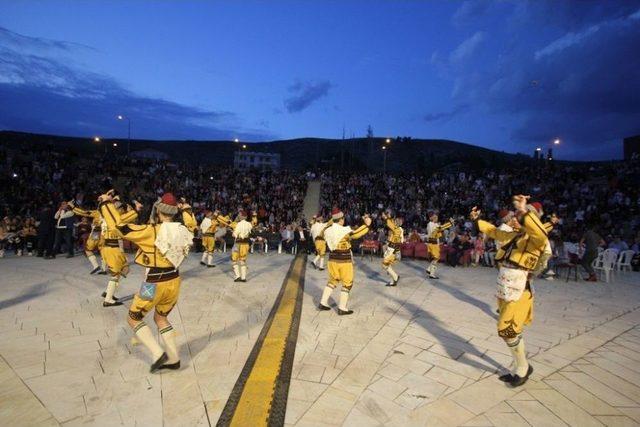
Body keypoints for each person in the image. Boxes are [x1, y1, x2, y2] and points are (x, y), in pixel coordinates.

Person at [99, 192, 193, 373]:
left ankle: (158, 354)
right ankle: (173, 358)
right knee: (161, 318)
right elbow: (191, 223)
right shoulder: (185, 230)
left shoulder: (152, 232)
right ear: (176, 212)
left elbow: (120, 228)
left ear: (158, 212)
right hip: (174, 281)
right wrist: (187, 208)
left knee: (133, 318)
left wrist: (106, 204)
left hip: (153, 283)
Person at [471, 195, 549, 388]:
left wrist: (524, 212)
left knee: (505, 329)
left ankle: (522, 367)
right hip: (505, 286)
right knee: (511, 330)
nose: (514, 218)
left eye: (518, 215)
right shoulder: (515, 234)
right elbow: (493, 231)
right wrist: (475, 220)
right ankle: (522, 365)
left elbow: (541, 235)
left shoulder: (535, 240)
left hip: (519, 289)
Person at [318, 208, 372, 315]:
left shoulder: (326, 230)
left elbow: (324, 230)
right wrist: (367, 225)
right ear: (341, 219)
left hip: (332, 259)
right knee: (347, 283)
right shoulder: (344, 230)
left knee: (332, 281)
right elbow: (356, 234)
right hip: (344, 261)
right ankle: (342, 308)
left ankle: (323, 302)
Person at [217, 210, 257, 282]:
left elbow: (226, 221)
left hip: (238, 244)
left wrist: (218, 216)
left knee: (234, 260)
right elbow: (254, 222)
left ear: (241, 216)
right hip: (245, 244)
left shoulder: (235, 224)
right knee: (243, 260)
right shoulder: (249, 224)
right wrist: (254, 216)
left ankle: (237, 276)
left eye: (239, 215)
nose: (238, 215)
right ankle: (243, 277)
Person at [69, 201, 105, 274]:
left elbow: (84, 212)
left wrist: (73, 207)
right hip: (106, 234)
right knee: (103, 251)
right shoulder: (111, 213)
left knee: (88, 249)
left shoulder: (97, 212)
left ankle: (96, 266)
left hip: (96, 232)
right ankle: (104, 269)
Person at [425, 212, 454, 279]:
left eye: (436, 217)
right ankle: (431, 274)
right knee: (436, 258)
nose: (436, 218)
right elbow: (441, 228)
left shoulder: (432, 224)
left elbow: (440, 229)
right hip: (433, 243)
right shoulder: (432, 224)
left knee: (435, 258)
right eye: (434, 217)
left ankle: (429, 269)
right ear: (431, 218)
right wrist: (450, 223)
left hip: (432, 243)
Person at [381, 211, 403, 287]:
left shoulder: (396, 229)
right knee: (387, 264)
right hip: (393, 248)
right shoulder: (399, 229)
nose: (395, 222)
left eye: (396, 221)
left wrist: (386, 217)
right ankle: (394, 277)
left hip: (392, 248)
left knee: (384, 265)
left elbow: (389, 223)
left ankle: (395, 277)